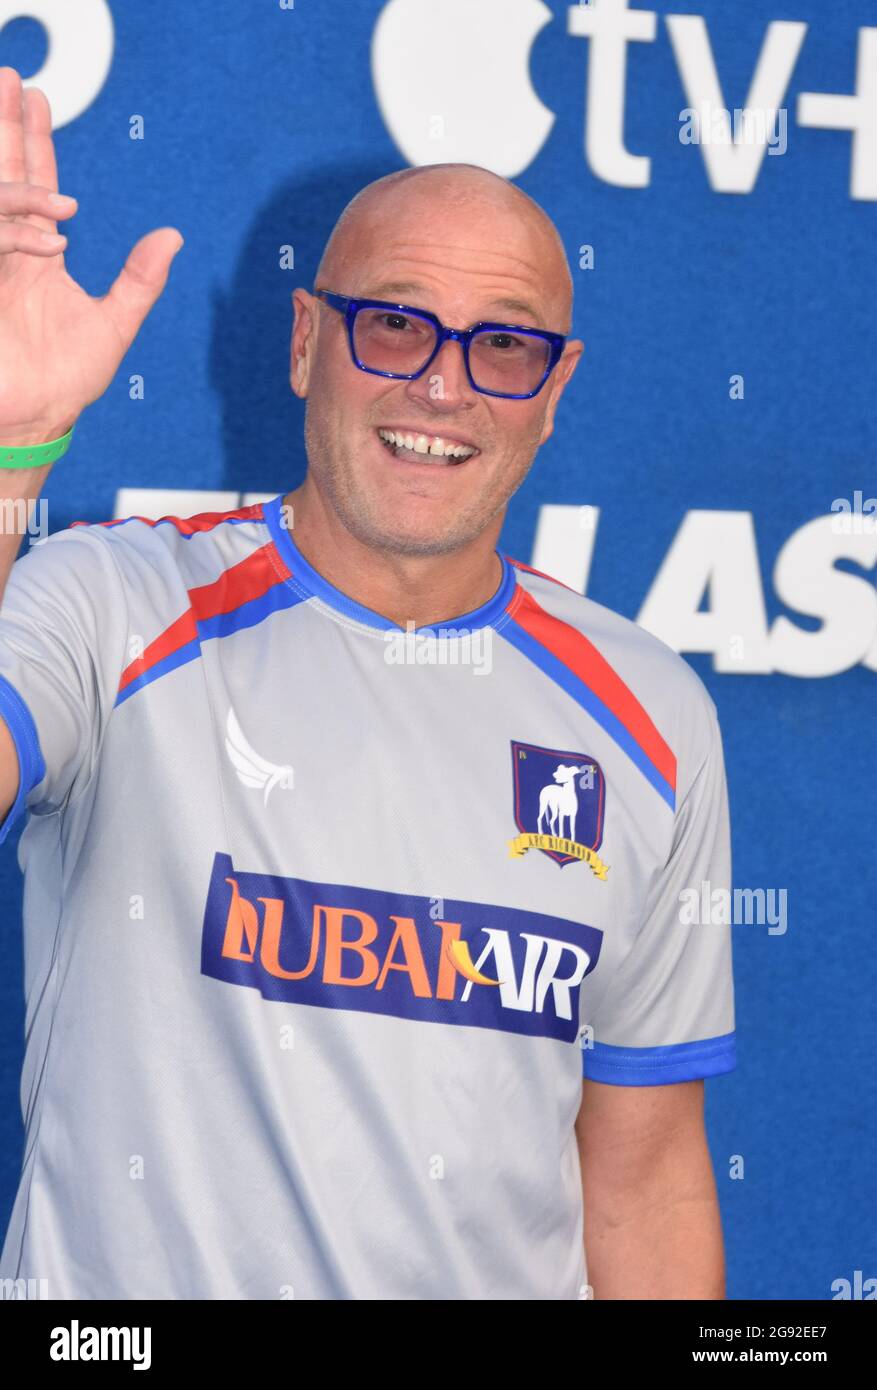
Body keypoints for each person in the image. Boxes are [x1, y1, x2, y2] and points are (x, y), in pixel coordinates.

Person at [0, 64, 735, 1301]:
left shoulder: (653, 715)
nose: (441, 385)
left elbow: (643, 1177)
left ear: (553, 392)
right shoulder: (109, 606)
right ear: (304, 342)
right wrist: (8, 443)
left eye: (503, 345)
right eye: (394, 322)